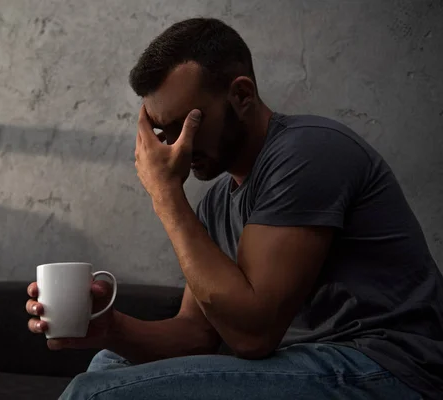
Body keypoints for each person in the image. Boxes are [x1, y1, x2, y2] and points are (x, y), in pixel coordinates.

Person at [26, 18, 443, 399]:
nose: (176, 150)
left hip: (388, 367)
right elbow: (195, 334)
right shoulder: (216, 203)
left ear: (242, 94)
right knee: (108, 363)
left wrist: (166, 196)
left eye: (187, 126)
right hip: (307, 363)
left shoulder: (309, 151)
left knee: (99, 394)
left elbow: (253, 335)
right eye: (162, 134)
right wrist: (107, 326)